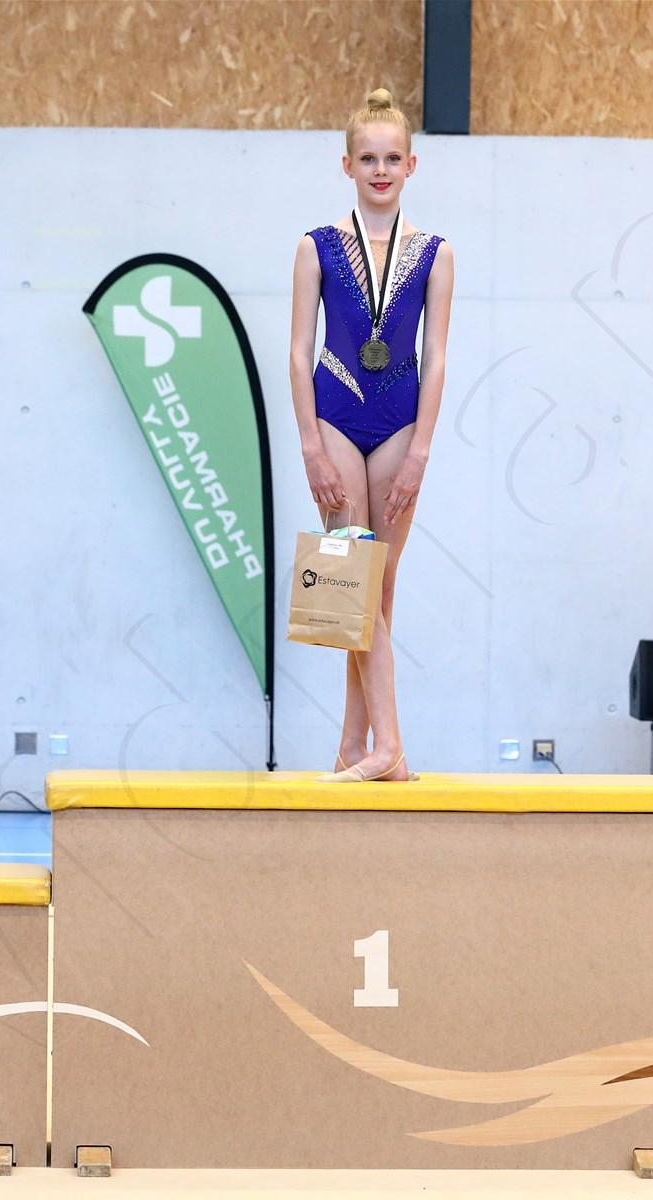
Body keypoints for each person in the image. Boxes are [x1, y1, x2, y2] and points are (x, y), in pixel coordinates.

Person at [289, 88, 454, 784]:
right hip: (335, 415)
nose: (379, 170)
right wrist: (309, 445)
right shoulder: (317, 247)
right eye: (367, 159)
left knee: (377, 590)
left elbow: (436, 357)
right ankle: (390, 747)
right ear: (347, 165)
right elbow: (299, 351)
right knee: (349, 581)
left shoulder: (435, 253)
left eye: (391, 159)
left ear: (411, 165)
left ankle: (352, 746)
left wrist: (420, 451)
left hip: (399, 424)